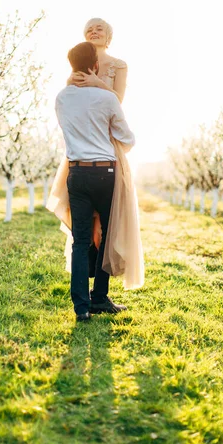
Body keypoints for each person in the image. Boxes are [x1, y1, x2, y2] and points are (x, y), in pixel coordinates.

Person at [47, 18, 144, 301]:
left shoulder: (117, 65)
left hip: (109, 146)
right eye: (89, 28)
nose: (94, 30)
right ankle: (95, 291)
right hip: (90, 152)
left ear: (108, 35)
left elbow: (118, 101)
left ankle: (93, 295)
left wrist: (97, 83)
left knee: (107, 224)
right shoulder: (78, 67)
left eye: (99, 28)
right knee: (86, 225)